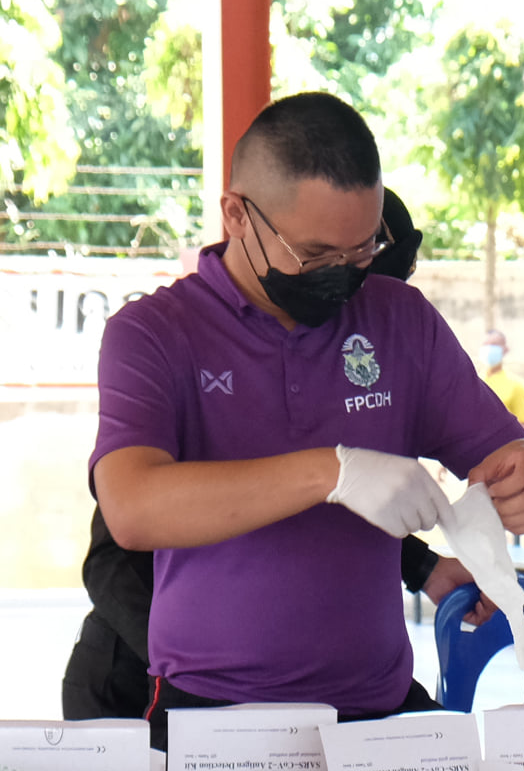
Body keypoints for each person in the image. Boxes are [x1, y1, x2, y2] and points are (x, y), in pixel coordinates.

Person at [89, 92, 524, 747]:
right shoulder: (154, 334)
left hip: (375, 713)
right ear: (237, 215)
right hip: (211, 717)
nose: (343, 278)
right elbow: (133, 508)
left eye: (361, 251)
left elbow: (507, 456)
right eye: (316, 256)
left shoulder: (399, 319)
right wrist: (330, 471)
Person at [62, 189, 492, 722]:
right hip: (140, 671)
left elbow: (321, 508)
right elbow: (119, 545)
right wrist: (222, 660)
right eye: (329, 272)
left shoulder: (359, 345)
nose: (354, 305)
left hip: (335, 699)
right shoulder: (170, 339)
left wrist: (423, 565)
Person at [479, 329, 524, 428]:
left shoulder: (516, 385)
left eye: (494, 345)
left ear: (505, 349)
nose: (489, 348)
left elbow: (523, 427)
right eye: (486, 344)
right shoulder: (475, 381)